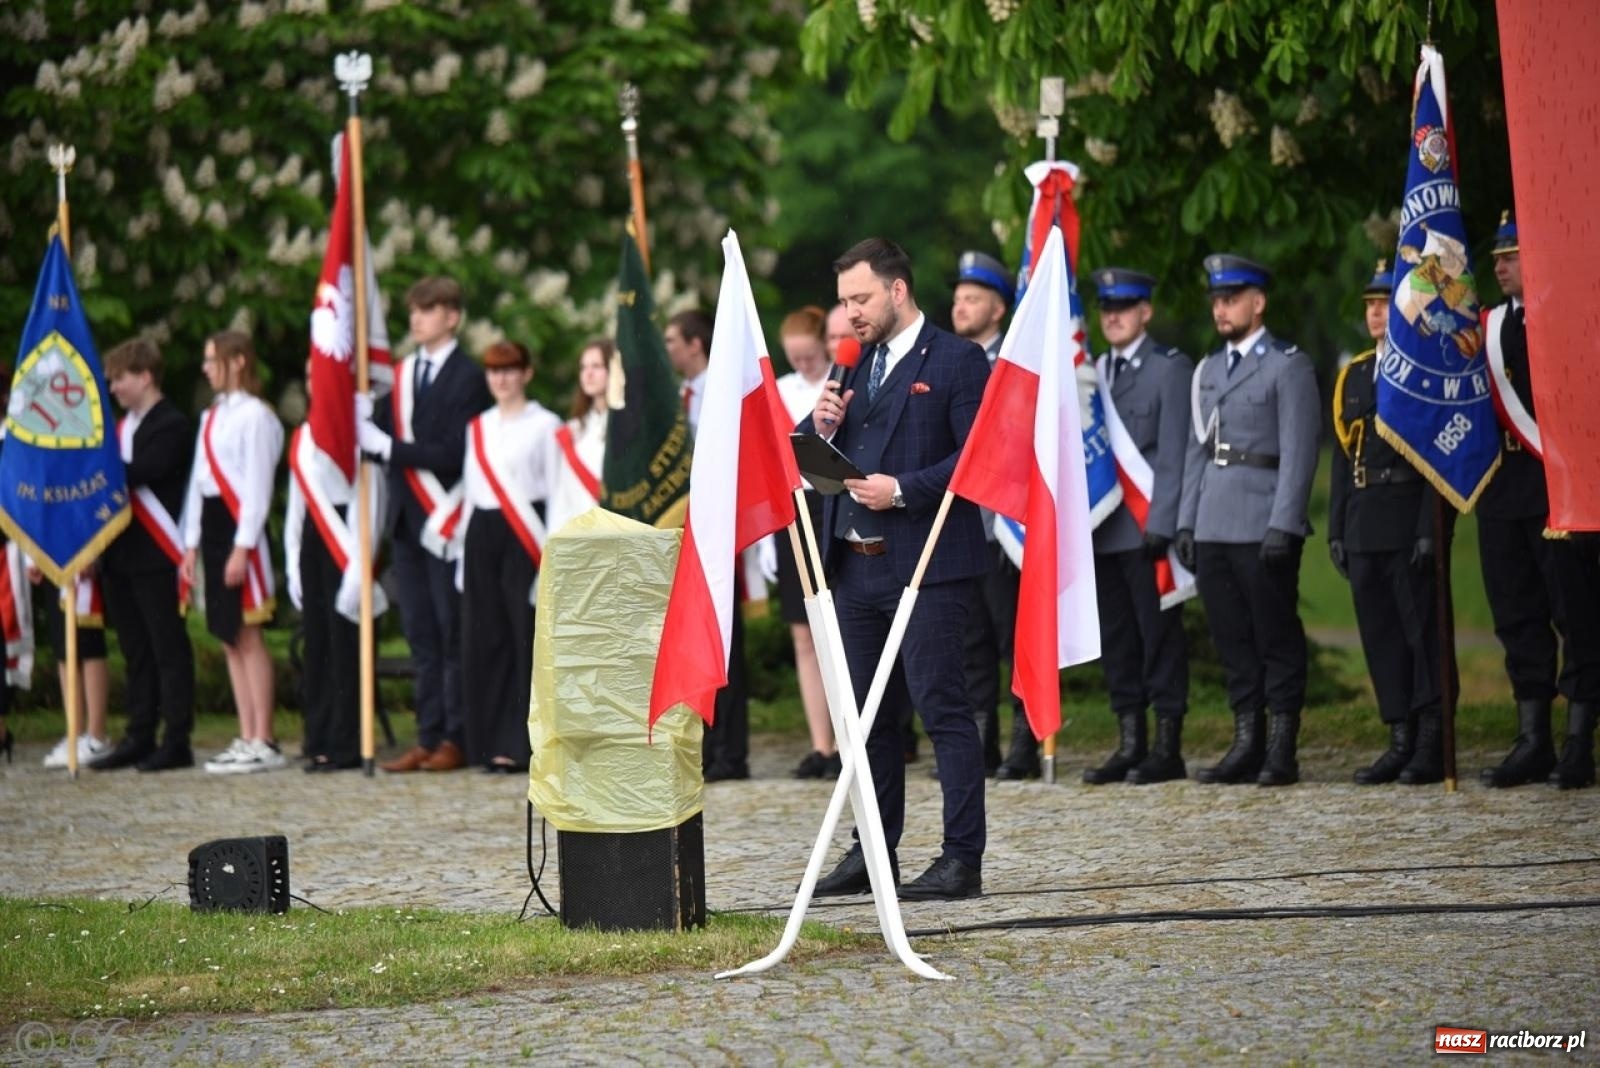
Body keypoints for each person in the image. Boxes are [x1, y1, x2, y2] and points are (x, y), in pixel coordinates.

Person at [802, 237, 991, 900]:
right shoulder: (854, 365)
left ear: (898, 291)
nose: (850, 312)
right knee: (866, 719)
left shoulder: (959, 361)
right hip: (854, 569)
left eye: (861, 298)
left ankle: (960, 858)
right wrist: (818, 428)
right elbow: (809, 459)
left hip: (926, 565)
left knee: (943, 709)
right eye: (844, 300)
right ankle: (871, 849)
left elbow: (975, 461)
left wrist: (902, 489)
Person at [1176, 254, 1319, 787]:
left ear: (1258, 303)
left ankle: (1281, 746)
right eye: (1216, 299)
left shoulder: (1288, 364)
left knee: (1275, 634)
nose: (1221, 308)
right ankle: (1246, 741)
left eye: (1231, 298)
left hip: (1263, 520)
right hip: (1214, 519)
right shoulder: (1207, 370)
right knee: (1232, 637)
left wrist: (1285, 522)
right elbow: (1199, 449)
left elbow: (1301, 452)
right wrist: (1188, 522)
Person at [1477, 213, 1600, 789]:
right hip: (1503, 486)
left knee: (1573, 613)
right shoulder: (1486, 326)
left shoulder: (1566, 316)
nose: (1500, 264)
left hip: (1557, 483)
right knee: (1516, 614)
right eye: (1497, 256)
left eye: (1513, 254)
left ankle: (1579, 740)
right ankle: (1533, 738)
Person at [358, 276, 491, 773]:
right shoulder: (402, 374)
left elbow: (456, 454)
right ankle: (427, 733)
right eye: (413, 310)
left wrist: (391, 447)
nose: (416, 318)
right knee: (420, 636)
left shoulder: (468, 377)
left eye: (428, 309)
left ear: (452, 316)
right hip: (407, 524)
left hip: (446, 521)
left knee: (449, 630)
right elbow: (378, 438)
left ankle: (455, 737)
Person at [1329, 262, 1450, 785]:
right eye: (1370, 304)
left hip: (1406, 514)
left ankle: (1430, 737)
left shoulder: (1425, 369)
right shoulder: (1354, 373)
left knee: (1420, 631)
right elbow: (1340, 455)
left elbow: (1436, 458)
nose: (1376, 312)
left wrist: (1430, 527)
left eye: (1385, 303)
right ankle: (1398, 735)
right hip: (1363, 517)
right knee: (1379, 633)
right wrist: (1336, 527)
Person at [1083, 268, 1193, 785]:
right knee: (1119, 639)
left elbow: (1175, 454)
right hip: (1103, 529)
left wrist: (1167, 522)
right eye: (1106, 308)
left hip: (1149, 527)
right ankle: (1130, 742)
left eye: (1124, 307)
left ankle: (1167, 746)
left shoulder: (1169, 369)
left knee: (1159, 637)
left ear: (1145, 311)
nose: (1114, 316)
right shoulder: (1093, 371)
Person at [948, 250, 1037, 780]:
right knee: (972, 640)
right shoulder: (951, 362)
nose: (960, 307)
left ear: (998, 309)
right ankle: (982, 742)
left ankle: (1026, 740)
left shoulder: (1017, 365)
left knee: (1014, 636)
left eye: (973, 299)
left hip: (1007, 523)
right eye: (957, 298)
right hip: (962, 524)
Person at [180, 330, 286, 774]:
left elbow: (258, 489)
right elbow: (197, 485)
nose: (206, 368)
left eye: (212, 359)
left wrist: (243, 547)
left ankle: (264, 737)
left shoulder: (257, 417)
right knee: (228, 636)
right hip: (213, 527)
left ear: (238, 361)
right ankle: (244, 734)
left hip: (243, 530)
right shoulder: (211, 417)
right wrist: (189, 543)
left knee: (248, 634)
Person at [90, 336, 197, 772]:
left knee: (166, 648)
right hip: (119, 555)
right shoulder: (120, 429)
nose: (113, 388)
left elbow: (148, 471)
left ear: (146, 376)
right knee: (135, 650)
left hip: (156, 554)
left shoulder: (171, 424)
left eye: (120, 378)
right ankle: (139, 733)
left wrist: (93, 469)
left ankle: (176, 739)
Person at [456, 340, 560, 773]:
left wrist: (550, 558)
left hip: (525, 534)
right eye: (493, 371)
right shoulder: (476, 426)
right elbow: (468, 490)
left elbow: (557, 494)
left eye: (509, 370)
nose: (500, 379)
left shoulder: (547, 425)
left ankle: (521, 743)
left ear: (526, 374)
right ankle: (488, 743)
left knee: (522, 640)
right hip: (482, 532)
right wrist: (462, 558)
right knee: (487, 639)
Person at [284, 360, 387, 772]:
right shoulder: (304, 436)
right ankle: (319, 736)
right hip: (313, 542)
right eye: (309, 375)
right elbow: (297, 505)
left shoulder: (356, 434)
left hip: (349, 542)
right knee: (318, 645)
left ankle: (346, 742)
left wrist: (361, 567)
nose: (315, 382)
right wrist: (292, 562)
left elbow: (374, 502)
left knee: (346, 649)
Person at [666, 307, 752, 782]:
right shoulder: (676, 399)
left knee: (726, 643)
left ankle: (731, 752)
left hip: (719, 529)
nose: (668, 351)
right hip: (684, 532)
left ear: (695, 344)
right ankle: (702, 746)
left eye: (673, 341)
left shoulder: (719, 394)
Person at [775, 305, 837, 780]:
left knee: (844, 625)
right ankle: (822, 744)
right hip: (794, 509)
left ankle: (861, 733)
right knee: (804, 632)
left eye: (809, 356)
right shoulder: (778, 391)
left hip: (834, 504)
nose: (803, 366)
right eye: (794, 358)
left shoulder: (839, 381)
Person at [37, 574, 111, 769]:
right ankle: (74, 734)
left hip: (82, 560)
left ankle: (96, 735)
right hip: (54, 559)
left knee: (88, 644)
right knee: (63, 647)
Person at [546, 338, 609, 537]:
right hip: (580, 543)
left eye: (597, 366)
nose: (588, 373)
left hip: (620, 541)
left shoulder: (633, 428)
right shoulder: (572, 432)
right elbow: (562, 498)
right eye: (584, 368)